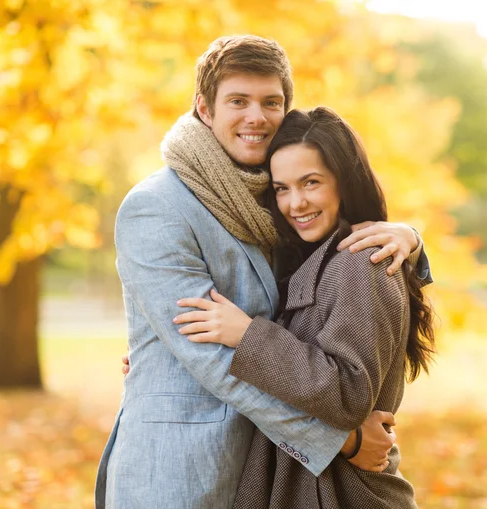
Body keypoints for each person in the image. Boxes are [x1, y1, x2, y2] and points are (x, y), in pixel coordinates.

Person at [97, 35, 432, 509]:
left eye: (270, 102)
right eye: (238, 101)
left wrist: (412, 242)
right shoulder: (157, 208)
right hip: (185, 471)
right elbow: (207, 355)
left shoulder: (273, 204)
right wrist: (342, 440)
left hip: (276, 476)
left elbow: (333, 284)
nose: (256, 117)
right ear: (204, 109)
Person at [172, 107, 436, 508]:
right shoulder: (309, 258)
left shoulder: (359, 260)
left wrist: (247, 335)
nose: (295, 203)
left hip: (345, 492)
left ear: (344, 183)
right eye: (281, 188)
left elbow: (348, 394)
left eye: (310, 183)